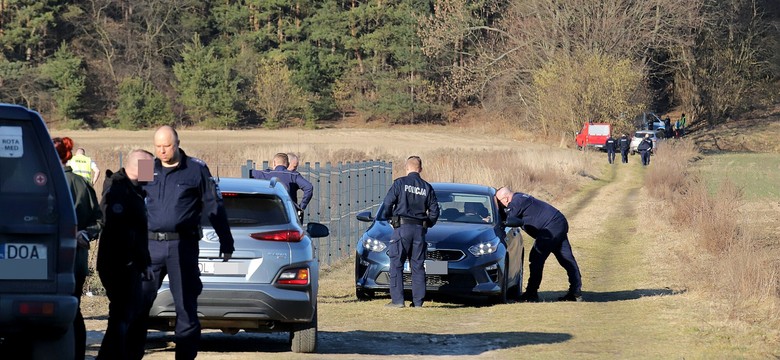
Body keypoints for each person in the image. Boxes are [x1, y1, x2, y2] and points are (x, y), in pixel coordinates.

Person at [133, 126, 234, 360]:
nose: (162, 151)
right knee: (137, 305)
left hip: (182, 247)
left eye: (167, 146)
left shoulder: (195, 170)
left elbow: (214, 206)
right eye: (158, 146)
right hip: (149, 248)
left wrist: (225, 241)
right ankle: (132, 353)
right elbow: (134, 202)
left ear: (177, 143)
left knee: (186, 308)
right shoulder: (148, 167)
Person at [96, 149, 154, 360]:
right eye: (150, 167)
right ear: (139, 167)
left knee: (128, 314)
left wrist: (144, 263)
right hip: (119, 263)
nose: (153, 172)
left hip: (130, 263)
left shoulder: (135, 190)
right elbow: (121, 231)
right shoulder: (118, 190)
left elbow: (138, 232)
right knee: (122, 316)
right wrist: (136, 260)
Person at [53, 137, 102, 360]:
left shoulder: (40, 180)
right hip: (74, 260)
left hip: (44, 261)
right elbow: (98, 219)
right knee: (73, 311)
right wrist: (84, 234)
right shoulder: (81, 183)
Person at [495, 187, 582, 302]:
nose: (500, 205)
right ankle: (575, 292)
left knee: (536, 257)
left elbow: (508, 218)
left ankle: (531, 293)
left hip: (550, 227)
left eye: (499, 202)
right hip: (557, 222)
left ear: (505, 199)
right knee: (566, 258)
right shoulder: (519, 197)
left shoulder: (516, 202)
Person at [380, 156, 440, 308]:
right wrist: (427, 224)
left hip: (402, 229)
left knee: (396, 264)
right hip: (419, 230)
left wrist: (389, 218)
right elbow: (434, 212)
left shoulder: (399, 183)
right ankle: (418, 302)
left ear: (407, 168)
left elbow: (387, 203)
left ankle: (398, 301)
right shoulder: (427, 187)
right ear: (420, 169)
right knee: (418, 266)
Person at [251, 153, 313, 221]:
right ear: (288, 164)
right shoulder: (293, 175)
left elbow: (249, 173)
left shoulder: (266, 174)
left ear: (274, 163)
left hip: (268, 212)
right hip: (289, 213)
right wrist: (301, 207)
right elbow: (309, 187)